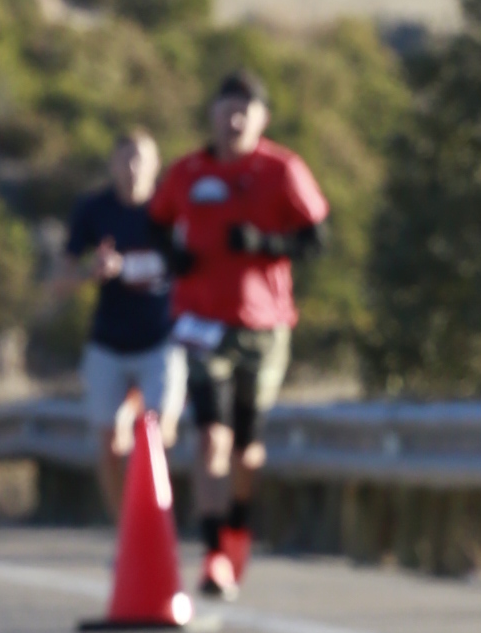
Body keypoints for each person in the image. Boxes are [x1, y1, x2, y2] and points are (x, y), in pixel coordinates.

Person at [150, 74, 329, 600]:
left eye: (244, 112)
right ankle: (212, 555)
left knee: (246, 449)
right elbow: (156, 222)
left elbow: (316, 238)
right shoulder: (186, 172)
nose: (233, 121)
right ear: (211, 114)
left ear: (261, 120)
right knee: (211, 437)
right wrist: (173, 256)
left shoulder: (282, 169)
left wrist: (264, 243)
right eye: (226, 110)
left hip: (263, 326)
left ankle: (237, 528)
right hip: (201, 324)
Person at [64, 129, 185, 516]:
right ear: (112, 165)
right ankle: (126, 525)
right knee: (110, 442)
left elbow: (195, 263)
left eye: (141, 159)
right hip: (108, 341)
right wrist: (93, 272)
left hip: (161, 339)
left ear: (156, 164)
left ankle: (155, 516)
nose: (133, 168)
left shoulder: (172, 208)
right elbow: (61, 278)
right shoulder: (93, 210)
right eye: (125, 159)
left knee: (159, 432)